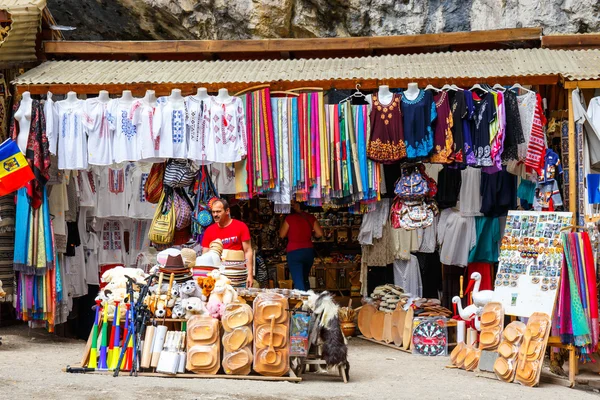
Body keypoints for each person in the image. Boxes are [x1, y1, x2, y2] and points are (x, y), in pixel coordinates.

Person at [202, 198, 254, 288]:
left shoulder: (241, 226)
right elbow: (205, 255)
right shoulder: (209, 231)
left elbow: (248, 251)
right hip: (217, 277)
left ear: (227, 211)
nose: (215, 215)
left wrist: (250, 274)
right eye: (213, 212)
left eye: (218, 211)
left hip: (238, 275)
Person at [279, 200, 323, 291]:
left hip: (294, 252)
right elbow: (319, 233)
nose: (292, 205)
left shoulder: (289, 219)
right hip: (308, 251)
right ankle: (309, 300)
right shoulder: (310, 217)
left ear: (298, 205)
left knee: (298, 280)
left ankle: (302, 303)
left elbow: (282, 235)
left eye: (293, 204)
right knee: (305, 278)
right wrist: (312, 235)